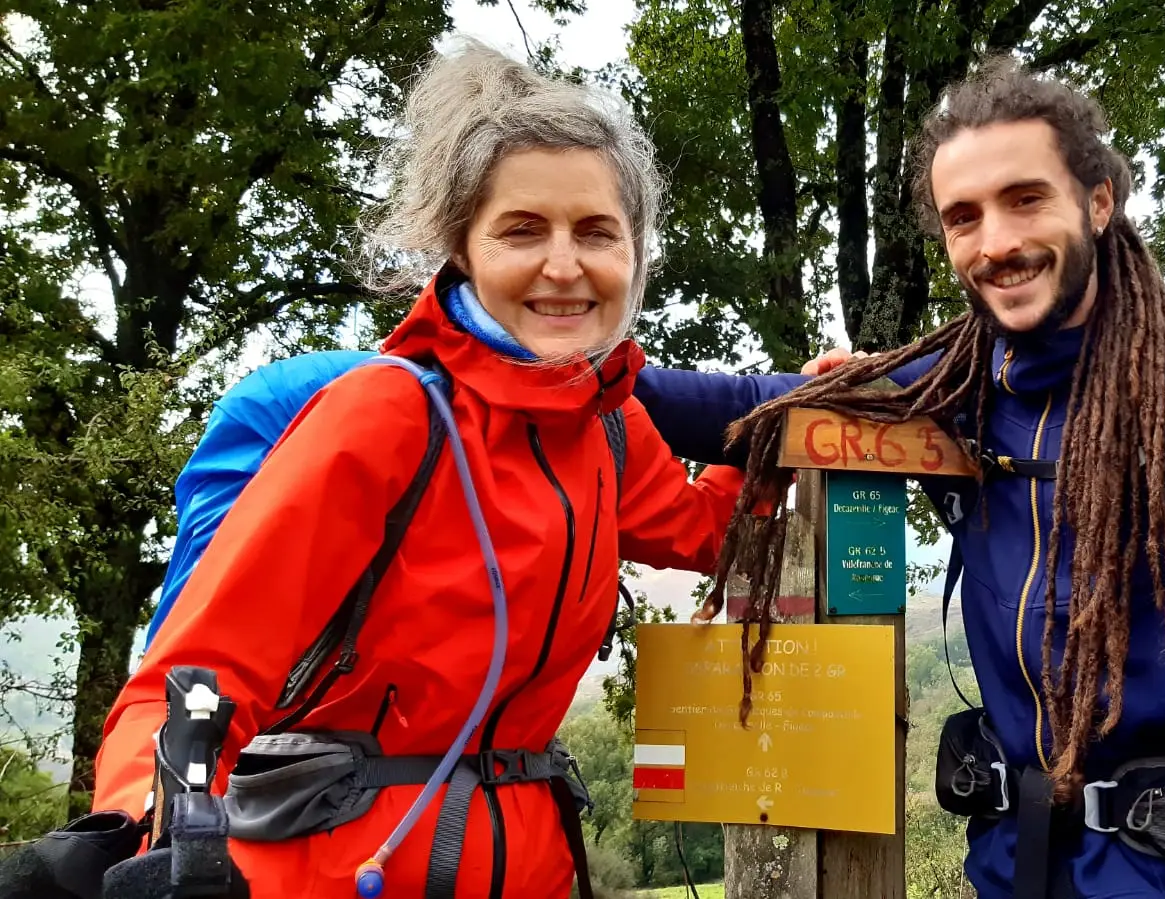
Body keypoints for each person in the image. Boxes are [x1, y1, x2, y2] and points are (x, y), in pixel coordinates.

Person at [627, 56, 1165, 898]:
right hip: (1014, 864)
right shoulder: (954, 386)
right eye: (963, 217)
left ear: (1098, 201)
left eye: (1026, 198)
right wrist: (569, 363)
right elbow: (744, 407)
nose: (996, 242)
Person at [88, 38, 747, 899]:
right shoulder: (387, 416)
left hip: (532, 862)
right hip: (331, 871)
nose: (563, 264)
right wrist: (145, 840)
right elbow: (193, 678)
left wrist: (788, 427)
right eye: (521, 230)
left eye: (596, 232)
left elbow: (706, 531)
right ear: (462, 248)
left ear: (633, 253)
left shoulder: (608, 425)